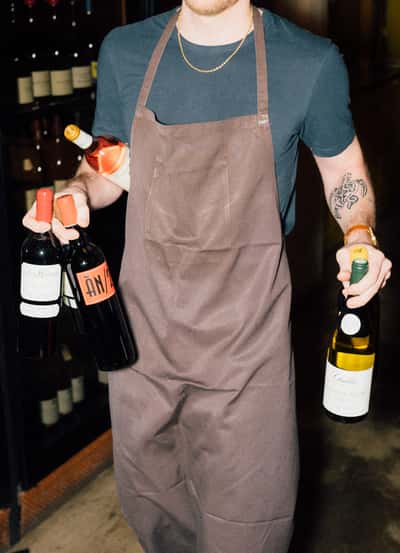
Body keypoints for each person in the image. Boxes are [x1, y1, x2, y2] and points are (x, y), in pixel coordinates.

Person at [23, 1, 392, 551]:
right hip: (141, 344)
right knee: (156, 518)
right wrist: (77, 193)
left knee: (247, 527)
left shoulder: (309, 62)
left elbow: (344, 175)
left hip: (245, 351)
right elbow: (106, 165)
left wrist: (360, 234)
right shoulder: (126, 51)